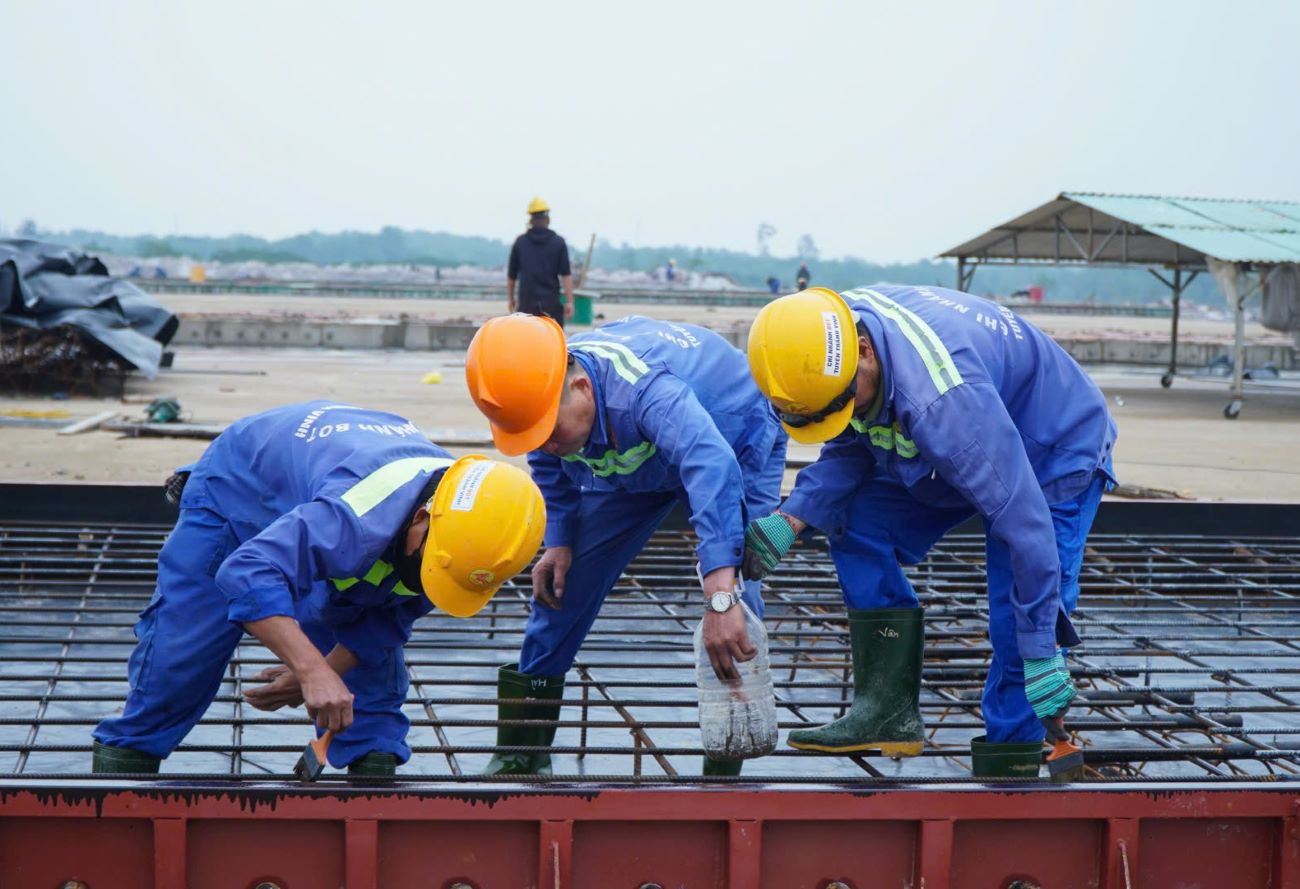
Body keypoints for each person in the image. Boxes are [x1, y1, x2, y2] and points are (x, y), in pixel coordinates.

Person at [743, 285, 1116, 776]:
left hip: (1050, 449)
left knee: (1018, 622)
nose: (847, 413)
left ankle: (1011, 769)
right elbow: (852, 437)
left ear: (866, 353)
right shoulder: (824, 341)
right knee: (855, 523)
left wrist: (1042, 650)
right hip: (955, 438)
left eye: (846, 403)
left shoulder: (944, 400)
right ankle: (887, 711)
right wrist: (794, 515)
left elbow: (1027, 528)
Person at [92, 401, 545, 776]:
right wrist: (312, 671)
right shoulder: (355, 518)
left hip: (328, 482)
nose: (431, 584)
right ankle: (126, 764)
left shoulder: (464, 538)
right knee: (181, 653)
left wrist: (322, 668)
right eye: (432, 569)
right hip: (241, 487)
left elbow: (385, 621)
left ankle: (372, 788)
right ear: (423, 519)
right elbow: (246, 573)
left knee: (371, 687)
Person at [465, 313, 787, 776]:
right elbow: (547, 462)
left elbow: (709, 465)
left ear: (582, 389)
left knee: (739, 597)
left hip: (734, 442)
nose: (547, 443)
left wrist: (721, 593)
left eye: (551, 431)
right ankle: (521, 753)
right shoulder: (540, 402)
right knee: (562, 587)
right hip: (636, 460)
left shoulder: (643, 392)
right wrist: (559, 540)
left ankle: (726, 756)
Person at [507, 197, 574, 327]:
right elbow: (566, 275)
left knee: (526, 341)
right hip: (551, 305)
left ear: (531, 220)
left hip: (526, 306)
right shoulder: (558, 242)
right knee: (553, 343)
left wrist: (511, 299)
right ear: (547, 219)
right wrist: (570, 301)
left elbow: (511, 277)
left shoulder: (520, 243)